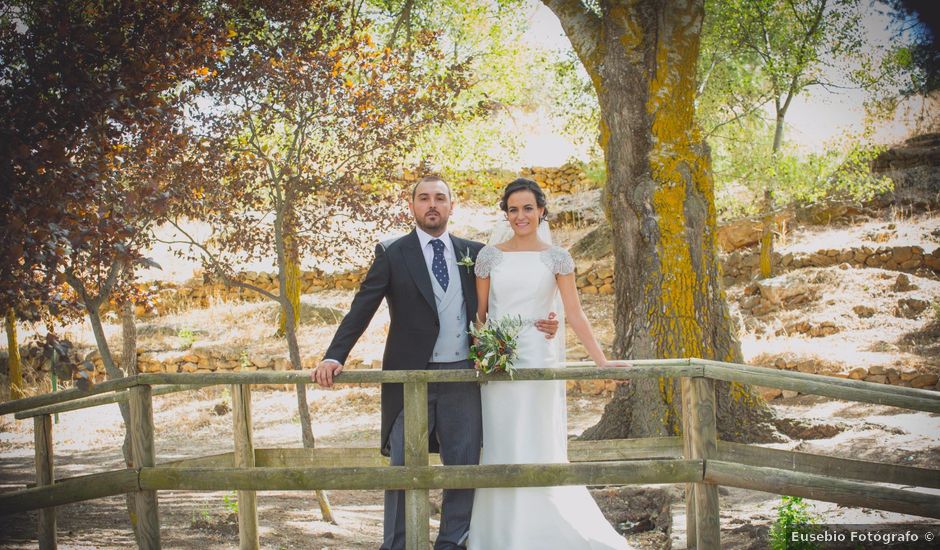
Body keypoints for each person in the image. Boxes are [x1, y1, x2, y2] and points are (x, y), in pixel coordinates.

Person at [312, 175, 558, 550]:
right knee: (403, 466)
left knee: (463, 466)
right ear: (411, 207)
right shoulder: (392, 253)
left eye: (440, 198)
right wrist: (334, 355)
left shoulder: (474, 252)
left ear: (451, 206)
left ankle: (452, 542)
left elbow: (508, 300)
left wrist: (546, 319)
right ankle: (397, 543)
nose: (432, 204)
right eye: (423, 198)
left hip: (463, 374)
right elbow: (362, 307)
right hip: (410, 376)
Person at [468, 178, 633, 550]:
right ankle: (500, 532)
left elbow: (573, 313)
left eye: (528, 208)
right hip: (499, 360)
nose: (521, 215)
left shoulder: (556, 258)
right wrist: (484, 350)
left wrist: (602, 361)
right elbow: (480, 317)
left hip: (539, 353)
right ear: (505, 214)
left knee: (537, 437)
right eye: (513, 209)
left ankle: (545, 527)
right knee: (502, 438)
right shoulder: (489, 257)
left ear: (542, 210)